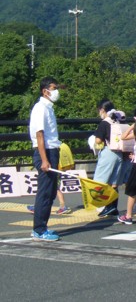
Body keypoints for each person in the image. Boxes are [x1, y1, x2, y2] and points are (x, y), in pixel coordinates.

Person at [29, 76, 62, 241]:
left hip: (52, 151)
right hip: (45, 152)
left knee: (50, 193)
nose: (56, 91)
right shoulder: (40, 108)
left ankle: (42, 227)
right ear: (45, 91)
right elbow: (39, 135)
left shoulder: (49, 108)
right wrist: (44, 159)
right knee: (45, 192)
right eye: (53, 88)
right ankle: (39, 229)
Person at [93, 99, 128, 218]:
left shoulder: (105, 122)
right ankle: (113, 207)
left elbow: (98, 140)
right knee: (114, 182)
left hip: (108, 152)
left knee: (101, 181)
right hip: (120, 154)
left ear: (102, 110)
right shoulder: (119, 120)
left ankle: (104, 206)